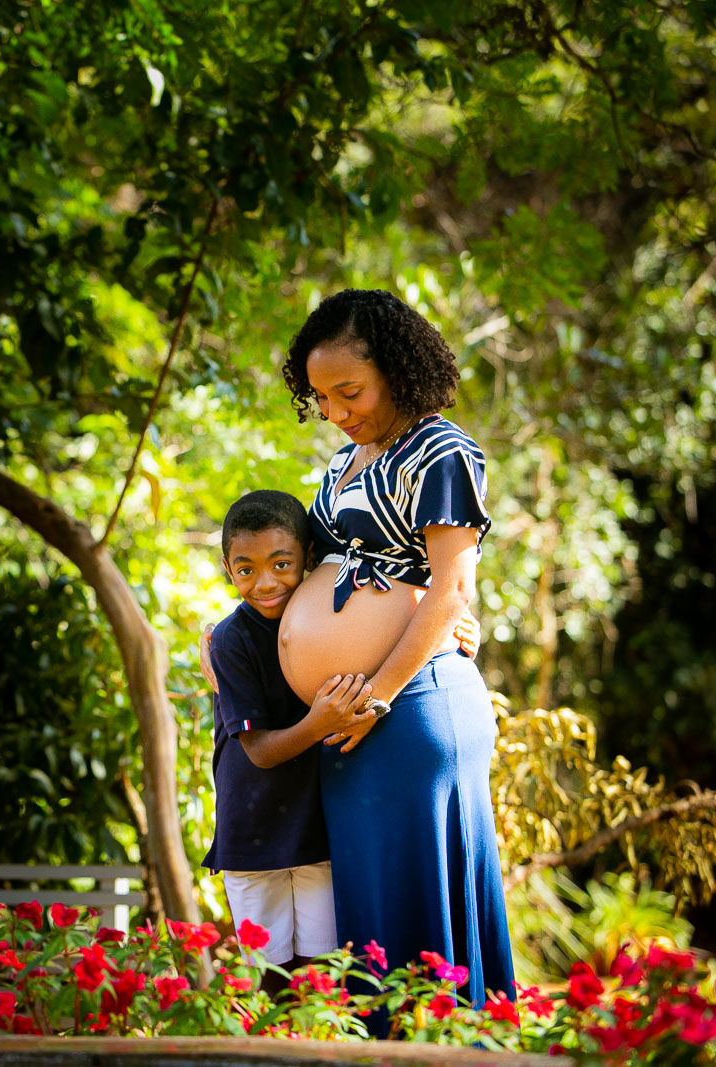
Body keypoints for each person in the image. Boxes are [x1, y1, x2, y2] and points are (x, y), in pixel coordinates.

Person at [274, 288, 515, 1014]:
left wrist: (376, 693)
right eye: (322, 398)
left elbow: (450, 589)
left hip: (410, 710)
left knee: (418, 925)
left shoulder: (439, 449)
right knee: (373, 925)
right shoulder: (350, 458)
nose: (338, 411)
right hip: (352, 722)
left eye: (350, 391)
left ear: (398, 369)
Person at [201, 489, 377, 990]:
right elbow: (256, 751)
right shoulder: (231, 642)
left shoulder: (329, 621)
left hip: (317, 830)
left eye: (282, 563)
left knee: (324, 974)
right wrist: (318, 723)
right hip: (252, 833)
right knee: (271, 976)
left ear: (310, 558)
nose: (266, 582)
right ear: (227, 570)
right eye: (246, 569)